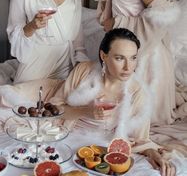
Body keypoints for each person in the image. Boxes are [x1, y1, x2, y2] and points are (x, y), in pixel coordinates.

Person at [50, 28, 176, 176]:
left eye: (133, 58)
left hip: (104, 146)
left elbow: (140, 139)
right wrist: (86, 111)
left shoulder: (138, 92)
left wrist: (153, 154)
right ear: (104, 56)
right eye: (119, 58)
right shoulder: (84, 71)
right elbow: (55, 110)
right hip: (70, 136)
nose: (128, 67)